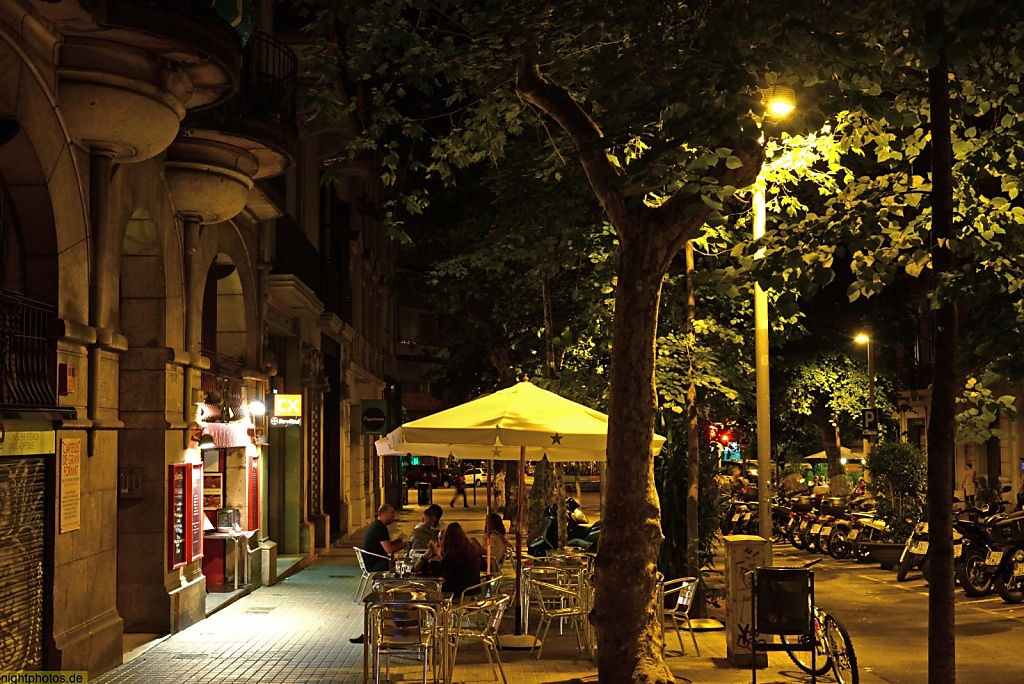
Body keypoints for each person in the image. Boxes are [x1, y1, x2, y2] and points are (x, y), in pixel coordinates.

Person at [349, 504, 405, 644]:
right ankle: (391, 628)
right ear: (384, 514)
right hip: (376, 564)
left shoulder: (377, 526)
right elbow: (388, 549)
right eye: (392, 512)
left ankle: (387, 627)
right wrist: (405, 544)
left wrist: (396, 542)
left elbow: (385, 546)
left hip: (374, 561)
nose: (394, 515)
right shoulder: (380, 528)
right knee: (398, 583)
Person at [413, 522, 481, 599]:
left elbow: (443, 570)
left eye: (444, 539)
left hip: (459, 597)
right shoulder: (470, 551)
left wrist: (437, 553)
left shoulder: (454, 555)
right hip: (473, 595)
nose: (442, 542)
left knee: (425, 597)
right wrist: (426, 555)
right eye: (440, 539)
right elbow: (415, 569)